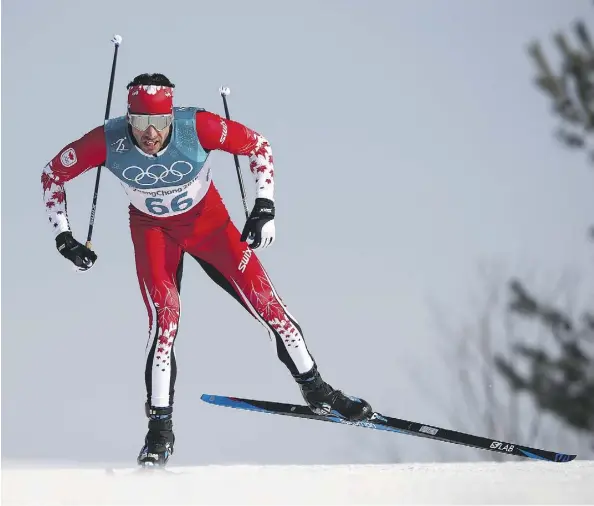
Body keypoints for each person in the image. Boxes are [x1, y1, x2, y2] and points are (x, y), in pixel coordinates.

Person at [41, 73, 372, 467]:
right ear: (127, 119)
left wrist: (264, 207)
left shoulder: (197, 126)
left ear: (171, 118)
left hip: (210, 227)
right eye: (141, 123)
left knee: (272, 310)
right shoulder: (106, 140)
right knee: (165, 324)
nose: (150, 134)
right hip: (154, 234)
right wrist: (65, 238)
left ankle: (317, 390)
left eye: (160, 123)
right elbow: (52, 175)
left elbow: (258, 146)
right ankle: (159, 431)